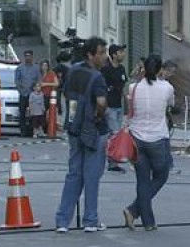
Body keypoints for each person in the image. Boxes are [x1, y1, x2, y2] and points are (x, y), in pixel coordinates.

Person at [55, 37, 109, 233]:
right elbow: (101, 103)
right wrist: (99, 116)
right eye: (101, 53)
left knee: (74, 174)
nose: (104, 56)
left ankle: (62, 221)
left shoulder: (73, 71)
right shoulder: (97, 77)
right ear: (90, 54)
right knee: (92, 176)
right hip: (93, 129)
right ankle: (90, 220)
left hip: (74, 127)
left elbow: (67, 95)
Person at [122, 55, 175, 232]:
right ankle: (133, 211)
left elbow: (130, 108)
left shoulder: (133, 88)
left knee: (142, 180)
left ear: (143, 68)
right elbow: (171, 105)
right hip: (158, 138)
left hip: (136, 139)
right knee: (161, 175)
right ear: (160, 70)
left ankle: (146, 221)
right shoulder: (167, 88)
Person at [101, 44, 129, 172]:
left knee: (112, 134)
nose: (123, 54)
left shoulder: (122, 69)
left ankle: (108, 157)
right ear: (113, 55)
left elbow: (123, 87)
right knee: (115, 133)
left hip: (119, 105)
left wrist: (127, 105)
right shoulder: (106, 70)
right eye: (120, 52)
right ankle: (112, 161)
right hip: (109, 106)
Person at [15, 50, 42, 137]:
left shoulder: (36, 68)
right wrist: (20, 90)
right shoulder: (19, 68)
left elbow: (38, 80)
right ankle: (22, 131)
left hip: (33, 94)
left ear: (32, 57)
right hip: (23, 94)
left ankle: (31, 130)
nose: (28, 57)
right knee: (22, 112)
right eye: (26, 56)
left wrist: (36, 91)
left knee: (33, 113)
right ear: (24, 57)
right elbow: (17, 80)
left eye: (29, 56)